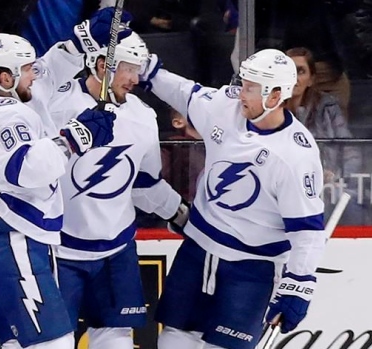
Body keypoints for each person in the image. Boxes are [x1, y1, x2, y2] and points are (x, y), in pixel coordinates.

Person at [139, 48, 326, 349]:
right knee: (173, 340)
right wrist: (147, 68)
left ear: (276, 95)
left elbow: (307, 231)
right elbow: (184, 93)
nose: (241, 93)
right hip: (198, 251)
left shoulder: (295, 155)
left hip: (252, 268)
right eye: (244, 83)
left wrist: (299, 285)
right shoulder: (227, 107)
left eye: (252, 87)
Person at [0, 29, 118, 348]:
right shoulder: (5, 116)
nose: (35, 73)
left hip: (5, 241)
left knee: (17, 343)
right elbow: (25, 169)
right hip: (13, 242)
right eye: (27, 68)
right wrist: (76, 137)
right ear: (5, 77)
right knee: (53, 342)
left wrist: (82, 41)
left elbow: (47, 73)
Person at [44, 32, 189, 349]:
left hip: (116, 251)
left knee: (117, 341)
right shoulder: (56, 104)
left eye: (138, 70)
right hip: (59, 251)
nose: (136, 79)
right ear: (100, 65)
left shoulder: (142, 117)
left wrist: (181, 214)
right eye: (129, 69)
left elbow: (143, 184)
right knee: (53, 343)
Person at [285, 47, 362, 182]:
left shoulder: (328, 108)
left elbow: (351, 152)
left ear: (311, 79)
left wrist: (338, 178)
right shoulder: (269, 110)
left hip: (326, 188)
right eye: (289, 72)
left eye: (300, 71)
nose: (294, 78)